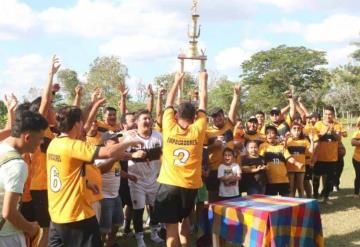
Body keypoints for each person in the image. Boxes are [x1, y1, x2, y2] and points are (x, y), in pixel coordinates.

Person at [46, 106, 142, 247]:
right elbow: (109, 152)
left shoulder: (54, 143)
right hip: (76, 214)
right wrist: (129, 141)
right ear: (77, 123)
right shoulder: (73, 146)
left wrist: (86, 182)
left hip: (57, 213)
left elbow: (65, 173)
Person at [154, 71, 207, 247]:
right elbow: (204, 102)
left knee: (171, 229)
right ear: (194, 117)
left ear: (177, 115)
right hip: (190, 185)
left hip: (169, 184)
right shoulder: (198, 129)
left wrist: (176, 81)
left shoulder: (169, 127)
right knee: (184, 221)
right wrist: (202, 80)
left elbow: (168, 102)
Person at [0, 109, 48, 247]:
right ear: (27, 137)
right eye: (40, 138)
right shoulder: (17, 165)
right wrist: (31, 228)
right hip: (7, 235)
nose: (41, 142)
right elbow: (8, 213)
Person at [125, 109, 164, 247]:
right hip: (137, 181)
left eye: (149, 118)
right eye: (144, 119)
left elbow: (164, 155)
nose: (148, 121)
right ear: (137, 122)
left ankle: (154, 234)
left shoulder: (159, 136)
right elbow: (120, 154)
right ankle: (140, 239)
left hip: (154, 179)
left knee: (155, 209)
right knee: (139, 209)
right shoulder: (130, 138)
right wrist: (132, 155)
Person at [205, 84, 240, 202]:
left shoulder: (229, 124)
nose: (217, 119)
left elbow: (232, 110)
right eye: (214, 117)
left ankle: (230, 220)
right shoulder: (207, 131)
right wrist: (213, 146)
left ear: (223, 116)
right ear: (212, 119)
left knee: (231, 199)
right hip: (214, 170)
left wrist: (236, 95)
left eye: (219, 116)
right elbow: (203, 150)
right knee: (213, 199)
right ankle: (213, 220)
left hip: (230, 168)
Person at [313, 105, 346, 203]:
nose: (328, 116)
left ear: (333, 114)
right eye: (326, 114)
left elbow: (339, 138)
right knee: (316, 177)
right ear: (323, 115)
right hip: (319, 157)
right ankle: (315, 196)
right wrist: (326, 131)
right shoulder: (318, 124)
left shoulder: (337, 124)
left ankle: (325, 197)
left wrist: (334, 133)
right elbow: (316, 137)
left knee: (330, 180)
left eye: (330, 114)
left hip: (332, 158)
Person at [259, 126, 303, 196]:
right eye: (267, 133)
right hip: (270, 180)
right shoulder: (263, 146)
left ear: (276, 135)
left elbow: (289, 158)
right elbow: (259, 159)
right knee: (271, 201)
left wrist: (297, 163)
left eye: (272, 133)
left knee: (286, 200)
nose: (270, 135)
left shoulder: (281, 147)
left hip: (283, 179)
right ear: (265, 135)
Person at [285, 122, 314, 197]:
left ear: (301, 130)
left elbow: (310, 153)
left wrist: (312, 140)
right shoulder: (288, 140)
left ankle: (302, 205)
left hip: (301, 168)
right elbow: (283, 150)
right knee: (291, 188)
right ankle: (292, 205)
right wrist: (285, 139)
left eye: (298, 129)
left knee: (300, 187)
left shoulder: (304, 141)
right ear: (290, 130)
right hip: (289, 167)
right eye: (294, 129)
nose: (296, 131)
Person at [351, 118, 360, 198]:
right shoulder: (357, 133)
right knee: (358, 175)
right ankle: (356, 193)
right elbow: (353, 142)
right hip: (357, 159)